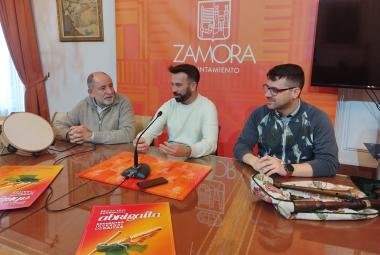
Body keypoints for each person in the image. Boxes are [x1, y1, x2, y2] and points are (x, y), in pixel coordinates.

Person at [234, 64, 339, 177]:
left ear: (295, 92)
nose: (267, 94)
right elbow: (241, 146)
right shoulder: (259, 114)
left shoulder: (318, 119)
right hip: (264, 181)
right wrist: (254, 162)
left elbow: (329, 164)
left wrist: (285, 168)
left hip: (301, 182)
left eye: (274, 90)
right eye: (267, 88)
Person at [134, 64, 218, 158]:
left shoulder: (207, 107)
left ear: (193, 86)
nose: (174, 90)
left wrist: (188, 151)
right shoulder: (169, 105)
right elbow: (149, 132)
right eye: (172, 84)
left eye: (178, 85)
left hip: (198, 160)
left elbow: (211, 144)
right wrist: (141, 140)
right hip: (171, 159)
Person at [53, 71, 135, 144]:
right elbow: (58, 125)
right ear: (91, 92)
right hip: (88, 155)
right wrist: (69, 135)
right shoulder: (84, 104)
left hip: (115, 157)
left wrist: (92, 136)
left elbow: (128, 134)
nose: (110, 92)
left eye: (111, 86)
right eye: (103, 88)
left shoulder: (123, 102)